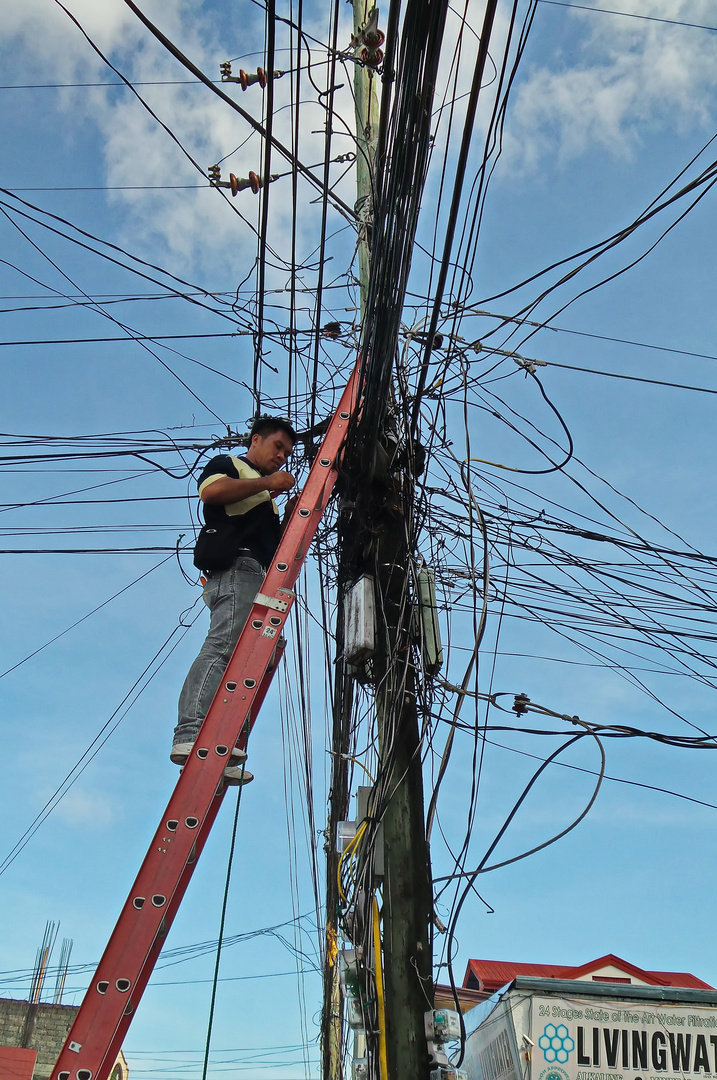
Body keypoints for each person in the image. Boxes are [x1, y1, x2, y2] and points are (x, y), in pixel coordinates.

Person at [172, 416, 297, 783]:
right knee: (225, 647)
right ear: (255, 440)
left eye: (287, 453)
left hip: (256, 572)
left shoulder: (262, 498)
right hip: (235, 568)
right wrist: (270, 484)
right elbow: (211, 492)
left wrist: (286, 514)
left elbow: (269, 543)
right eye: (278, 447)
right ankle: (191, 734)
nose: (282, 457)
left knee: (244, 663)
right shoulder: (231, 465)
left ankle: (219, 746)